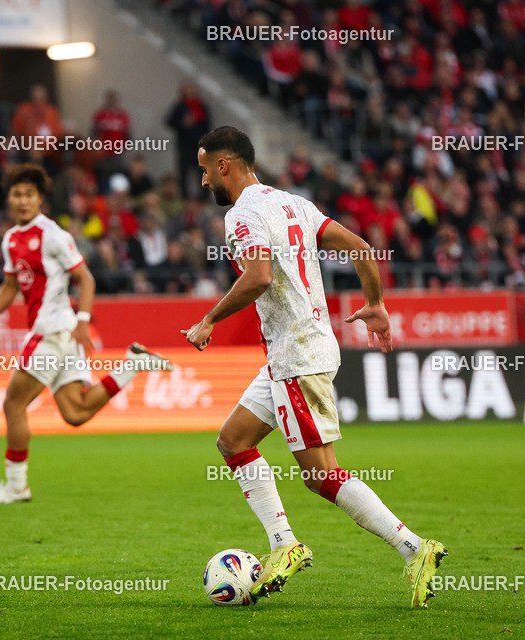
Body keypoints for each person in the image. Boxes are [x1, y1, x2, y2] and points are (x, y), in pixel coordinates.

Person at [184, 127, 446, 607]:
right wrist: (376, 305)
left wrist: (209, 319)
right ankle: (284, 544)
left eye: (204, 170)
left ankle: (414, 547)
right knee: (233, 441)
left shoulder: (242, 214)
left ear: (224, 165)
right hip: (293, 353)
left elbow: (258, 276)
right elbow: (363, 250)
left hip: (297, 357)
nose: (203, 182)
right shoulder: (294, 204)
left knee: (321, 475)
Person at [0, 163, 172, 505]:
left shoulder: (54, 235)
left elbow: (86, 278)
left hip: (52, 331)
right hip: (57, 334)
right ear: (10, 199)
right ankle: (132, 365)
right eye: (17, 194)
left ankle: (17, 486)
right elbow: (10, 285)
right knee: (75, 413)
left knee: (13, 404)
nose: (23, 200)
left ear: (41, 199)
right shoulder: (10, 239)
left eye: (29, 194)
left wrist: (83, 320)